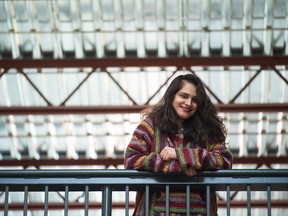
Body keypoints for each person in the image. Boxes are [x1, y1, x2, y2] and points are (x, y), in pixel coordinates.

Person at [124, 73, 233, 216]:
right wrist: (179, 166)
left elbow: (224, 161)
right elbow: (131, 160)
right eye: (183, 96)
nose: (188, 103)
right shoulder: (150, 125)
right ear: (172, 96)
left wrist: (181, 154)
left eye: (194, 100)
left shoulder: (208, 130)